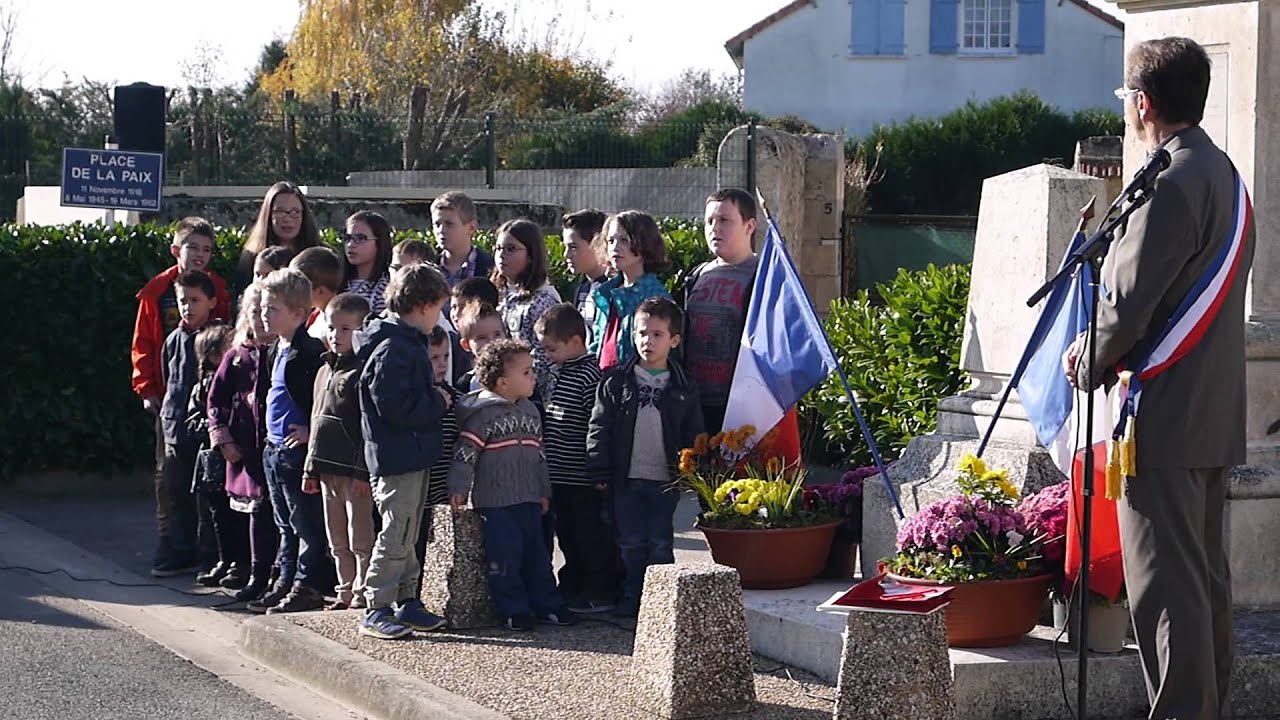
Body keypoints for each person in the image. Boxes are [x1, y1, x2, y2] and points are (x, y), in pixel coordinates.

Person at [1063, 37, 1254, 720]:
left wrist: (1088, 356)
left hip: (1164, 418)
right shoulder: (1222, 172)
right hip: (1210, 412)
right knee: (1201, 586)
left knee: (1168, 594)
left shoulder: (1170, 182)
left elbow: (1130, 301)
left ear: (1144, 104)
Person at [587, 298, 704, 618]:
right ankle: (631, 595)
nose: (647, 341)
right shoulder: (616, 381)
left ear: (674, 340)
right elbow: (599, 425)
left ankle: (661, 600)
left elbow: (693, 433)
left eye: (657, 334)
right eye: (642, 333)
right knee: (630, 541)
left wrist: (692, 468)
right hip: (626, 475)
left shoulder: (683, 386)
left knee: (661, 542)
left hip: (665, 478)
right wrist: (598, 465)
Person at [449, 339, 577, 631]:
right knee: (505, 558)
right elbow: (465, 454)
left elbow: (540, 456)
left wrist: (544, 491)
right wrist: (459, 487)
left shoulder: (532, 412)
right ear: (503, 382)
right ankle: (513, 609)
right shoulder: (482, 417)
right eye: (527, 372)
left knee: (538, 556)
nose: (533, 376)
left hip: (529, 499)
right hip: (496, 503)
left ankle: (548, 604)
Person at [355, 264, 452, 640]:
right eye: (438, 308)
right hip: (398, 456)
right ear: (423, 305)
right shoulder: (394, 348)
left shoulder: (402, 342)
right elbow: (394, 406)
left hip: (411, 454)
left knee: (409, 529)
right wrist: (437, 401)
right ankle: (375, 604)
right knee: (397, 530)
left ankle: (407, 599)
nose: (439, 316)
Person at [132, 218, 231, 575]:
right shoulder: (156, 291)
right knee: (169, 480)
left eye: (207, 249)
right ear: (176, 251)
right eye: (193, 248)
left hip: (204, 415)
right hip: (170, 408)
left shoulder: (218, 289)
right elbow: (144, 345)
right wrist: (146, 388)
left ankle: (206, 550)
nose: (200, 255)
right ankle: (171, 542)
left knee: (204, 487)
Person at [251, 268, 329, 614]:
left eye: (273, 309)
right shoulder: (274, 349)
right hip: (275, 447)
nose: (265, 315)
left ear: (299, 313)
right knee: (283, 521)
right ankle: (285, 578)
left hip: (295, 452)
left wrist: (312, 431)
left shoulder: (309, 352)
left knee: (305, 522)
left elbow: (325, 398)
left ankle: (307, 583)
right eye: (264, 308)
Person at [535, 303, 614, 614]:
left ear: (575, 340)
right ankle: (571, 585)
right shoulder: (556, 374)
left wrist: (598, 469)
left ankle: (598, 590)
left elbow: (596, 425)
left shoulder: (589, 377)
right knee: (566, 534)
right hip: (558, 474)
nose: (547, 355)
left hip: (581, 475)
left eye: (552, 348)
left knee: (589, 536)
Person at [303, 292, 375, 611]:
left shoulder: (361, 372)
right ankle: (344, 589)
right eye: (332, 328)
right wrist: (309, 468)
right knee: (336, 538)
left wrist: (362, 470)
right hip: (326, 468)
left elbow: (367, 425)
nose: (336, 335)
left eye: (346, 329)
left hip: (352, 471)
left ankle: (362, 591)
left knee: (360, 536)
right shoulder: (323, 370)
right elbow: (315, 420)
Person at [208, 283, 279, 603]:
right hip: (245, 450)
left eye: (266, 313)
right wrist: (223, 439)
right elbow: (215, 401)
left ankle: (277, 573)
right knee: (254, 513)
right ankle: (255, 571)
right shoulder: (237, 357)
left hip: (276, 447)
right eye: (255, 313)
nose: (261, 321)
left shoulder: (282, 352)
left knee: (278, 514)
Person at [155, 270, 225, 577]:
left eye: (195, 300)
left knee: (207, 498)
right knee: (177, 493)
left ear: (211, 302)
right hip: (176, 429)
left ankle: (211, 554)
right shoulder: (174, 339)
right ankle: (182, 550)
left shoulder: (218, 339)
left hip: (203, 431)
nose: (188, 307)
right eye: (183, 300)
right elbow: (169, 379)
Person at [684, 189, 760, 434]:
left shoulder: (764, 276)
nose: (714, 228)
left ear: (749, 226)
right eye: (709, 221)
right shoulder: (696, 276)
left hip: (741, 407)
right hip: (693, 405)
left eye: (724, 220)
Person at [187, 323, 249, 588]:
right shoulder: (203, 387)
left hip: (235, 460)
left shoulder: (238, 380)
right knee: (218, 517)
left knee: (238, 515)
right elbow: (191, 424)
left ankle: (240, 563)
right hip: (212, 463)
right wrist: (213, 429)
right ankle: (224, 560)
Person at [587, 211, 671, 371]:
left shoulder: (655, 297)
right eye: (610, 241)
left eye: (624, 240)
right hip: (603, 384)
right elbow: (599, 342)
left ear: (645, 244)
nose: (615, 248)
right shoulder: (606, 292)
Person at [492, 219, 561, 397]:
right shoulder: (504, 294)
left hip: (534, 395)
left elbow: (544, 358)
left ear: (531, 255)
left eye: (511, 249)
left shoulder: (542, 300)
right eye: (498, 248)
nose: (501, 255)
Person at [235, 182, 321, 294]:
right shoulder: (251, 255)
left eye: (295, 212)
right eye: (280, 212)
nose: (288, 219)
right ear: (268, 215)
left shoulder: (320, 255)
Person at [561, 209, 609, 345]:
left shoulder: (613, 289)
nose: (566, 254)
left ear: (597, 244)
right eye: (566, 247)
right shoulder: (582, 289)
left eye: (573, 247)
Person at [432, 191, 494, 287]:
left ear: (471, 228)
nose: (441, 230)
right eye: (437, 224)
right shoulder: (428, 269)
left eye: (449, 224)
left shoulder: (491, 269)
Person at [290, 247, 344, 347]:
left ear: (320, 291)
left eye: (301, 288)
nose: (294, 293)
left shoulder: (339, 323)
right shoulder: (314, 316)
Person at [342, 211, 394, 315]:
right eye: (348, 238)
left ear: (380, 242)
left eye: (361, 238)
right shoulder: (338, 282)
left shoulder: (386, 288)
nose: (351, 244)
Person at [454, 304, 508, 393]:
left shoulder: (520, 373)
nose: (492, 341)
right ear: (466, 345)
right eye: (482, 337)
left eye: (497, 334)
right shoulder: (466, 383)